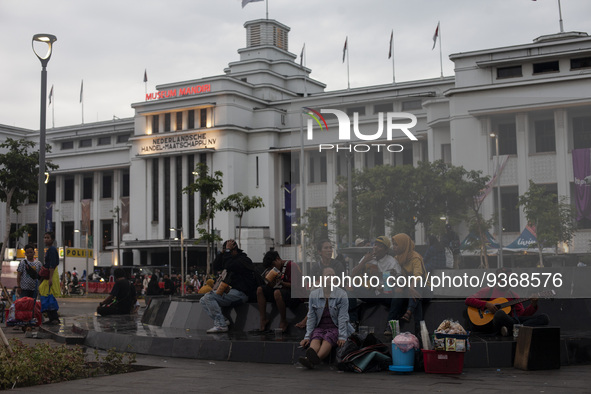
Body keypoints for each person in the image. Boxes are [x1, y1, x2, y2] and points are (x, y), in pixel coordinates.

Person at [465, 267, 550, 336]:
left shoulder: (514, 295)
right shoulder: (488, 290)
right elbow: (469, 300)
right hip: (493, 323)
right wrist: (487, 304)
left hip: (511, 321)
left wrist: (533, 305)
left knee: (544, 318)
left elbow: (522, 315)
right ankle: (515, 330)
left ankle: (514, 330)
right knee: (499, 314)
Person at [298, 267, 354, 369]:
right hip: (320, 326)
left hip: (335, 327)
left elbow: (343, 317)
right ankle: (309, 358)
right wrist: (307, 337)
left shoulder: (341, 294)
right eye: (328, 276)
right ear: (321, 278)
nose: (331, 278)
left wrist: (342, 336)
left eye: (333, 276)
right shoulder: (314, 294)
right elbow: (311, 317)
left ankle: (314, 360)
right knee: (315, 338)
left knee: (327, 339)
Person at [200, 239, 257, 333]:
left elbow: (229, 265)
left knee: (209, 297)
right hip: (233, 292)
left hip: (242, 294)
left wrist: (227, 251)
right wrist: (223, 252)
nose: (227, 255)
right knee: (203, 300)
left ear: (234, 250)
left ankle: (221, 325)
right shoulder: (230, 259)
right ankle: (223, 320)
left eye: (229, 252)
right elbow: (216, 266)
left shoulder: (242, 260)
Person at [388, 233, 430, 333]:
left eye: (396, 244)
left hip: (425, 289)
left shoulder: (415, 257)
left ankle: (409, 311)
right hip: (413, 292)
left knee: (417, 287)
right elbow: (399, 278)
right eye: (393, 244)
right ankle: (417, 329)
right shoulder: (396, 259)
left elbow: (418, 275)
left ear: (403, 244)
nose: (394, 247)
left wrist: (411, 286)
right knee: (416, 298)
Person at [257, 250, 302, 332]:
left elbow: (296, 286)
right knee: (260, 290)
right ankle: (263, 319)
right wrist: (269, 280)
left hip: (295, 295)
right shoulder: (274, 270)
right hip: (280, 293)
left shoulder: (291, 266)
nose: (274, 268)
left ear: (278, 259)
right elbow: (272, 286)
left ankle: (283, 320)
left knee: (277, 293)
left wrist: (281, 282)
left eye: (273, 265)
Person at [38, 232, 61, 325]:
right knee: (46, 294)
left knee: (47, 295)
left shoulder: (51, 250)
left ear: (52, 239)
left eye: (48, 238)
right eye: (44, 237)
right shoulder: (50, 249)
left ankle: (54, 318)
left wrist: (50, 278)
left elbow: (52, 265)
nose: (45, 239)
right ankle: (52, 318)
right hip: (50, 275)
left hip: (51, 275)